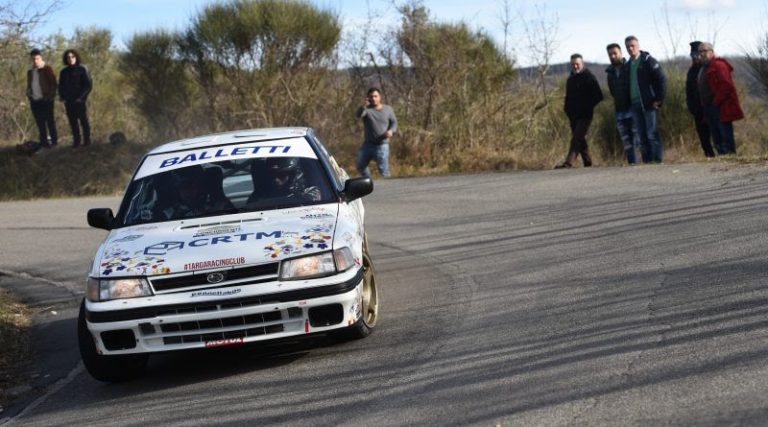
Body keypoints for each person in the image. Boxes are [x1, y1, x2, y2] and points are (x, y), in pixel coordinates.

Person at [555, 54, 603, 168]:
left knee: (576, 139)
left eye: (577, 64)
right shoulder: (570, 79)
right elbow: (568, 97)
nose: (575, 66)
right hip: (573, 116)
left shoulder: (589, 78)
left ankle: (568, 163)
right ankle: (588, 162)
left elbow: (598, 96)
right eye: (573, 64)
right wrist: (567, 110)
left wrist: (587, 107)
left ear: (582, 64)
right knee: (581, 140)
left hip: (585, 115)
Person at [697, 42, 744, 155]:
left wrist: (716, 101)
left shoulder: (719, 65)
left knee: (725, 136)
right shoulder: (704, 68)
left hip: (721, 107)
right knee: (716, 137)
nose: (702, 54)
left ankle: (730, 158)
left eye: (704, 51)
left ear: (711, 52)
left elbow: (726, 85)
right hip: (709, 107)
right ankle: (722, 159)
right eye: (700, 51)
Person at [625, 36, 666, 163]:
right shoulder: (627, 65)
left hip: (649, 103)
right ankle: (647, 162)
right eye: (628, 47)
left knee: (652, 133)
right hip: (634, 104)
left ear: (638, 46)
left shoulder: (648, 61)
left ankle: (657, 160)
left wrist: (659, 99)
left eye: (632, 46)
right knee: (641, 136)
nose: (630, 48)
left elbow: (661, 79)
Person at [605, 43, 639, 164]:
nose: (613, 56)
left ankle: (643, 166)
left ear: (621, 53)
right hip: (619, 111)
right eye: (610, 54)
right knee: (627, 143)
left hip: (632, 109)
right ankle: (632, 165)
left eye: (615, 53)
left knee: (637, 141)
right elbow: (612, 92)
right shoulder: (610, 73)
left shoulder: (629, 67)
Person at [355, 88, 397, 178]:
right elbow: (358, 115)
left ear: (380, 97)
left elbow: (394, 123)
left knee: (383, 170)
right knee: (360, 165)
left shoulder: (388, 109)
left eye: (375, 96)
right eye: (371, 96)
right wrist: (363, 106)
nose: (373, 98)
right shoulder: (366, 110)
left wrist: (391, 131)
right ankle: (369, 181)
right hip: (368, 144)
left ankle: (389, 185)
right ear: (368, 98)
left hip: (382, 145)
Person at [247, 157, 321, 207]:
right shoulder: (260, 196)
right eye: (272, 175)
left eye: (281, 175)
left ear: (293, 175)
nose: (276, 180)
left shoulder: (310, 193)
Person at [686, 41, 716, 158]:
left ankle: (722, 156)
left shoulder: (707, 68)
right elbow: (688, 91)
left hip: (710, 107)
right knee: (703, 138)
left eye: (696, 54)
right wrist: (691, 107)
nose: (694, 57)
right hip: (697, 110)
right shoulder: (691, 71)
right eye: (692, 55)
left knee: (716, 135)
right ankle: (709, 157)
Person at [58, 49, 92, 147]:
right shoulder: (63, 72)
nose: (71, 59)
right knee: (72, 122)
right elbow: (61, 86)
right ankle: (76, 141)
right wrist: (62, 97)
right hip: (68, 101)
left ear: (76, 57)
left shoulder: (82, 69)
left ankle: (87, 141)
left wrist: (81, 98)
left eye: (73, 57)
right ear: (66, 59)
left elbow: (88, 85)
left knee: (83, 121)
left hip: (80, 100)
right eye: (68, 57)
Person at [26, 49, 58, 147]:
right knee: (40, 122)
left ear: (41, 58)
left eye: (37, 58)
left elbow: (53, 84)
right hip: (35, 100)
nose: (35, 61)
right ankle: (44, 142)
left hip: (46, 99)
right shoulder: (30, 71)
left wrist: (50, 96)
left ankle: (54, 141)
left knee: (49, 121)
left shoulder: (46, 69)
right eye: (33, 59)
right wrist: (29, 94)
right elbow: (29, 85)